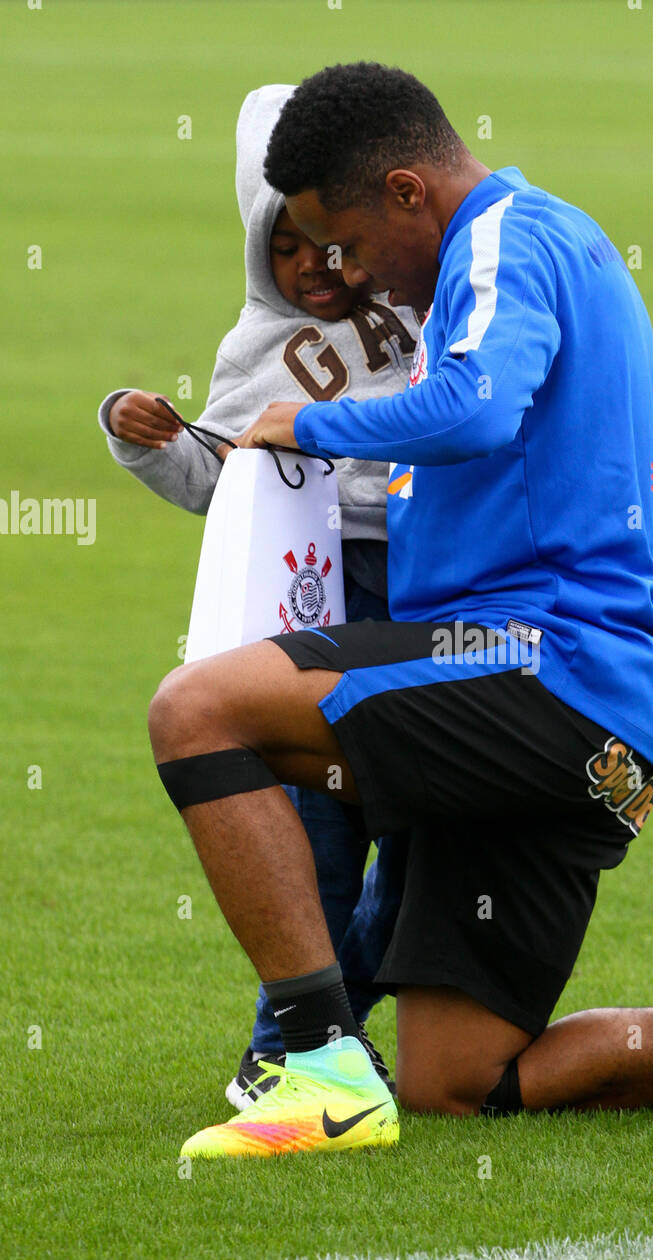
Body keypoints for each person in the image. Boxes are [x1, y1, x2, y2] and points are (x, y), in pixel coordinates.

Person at [146, 63, 653, 1158]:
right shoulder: (543, 253)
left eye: (342, 238)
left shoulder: (503, 238)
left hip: (536, 669)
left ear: (406, 190)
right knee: (461, 1080)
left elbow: (480, 406)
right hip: (606, 741)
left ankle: (314, 1060)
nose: (342, 271)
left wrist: (314, 425)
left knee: (198, 711)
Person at [98, 85, 421, 1109]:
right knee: (319, 835)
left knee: (421, 843)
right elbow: (219, 480)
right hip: (312, 607)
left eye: (332, 246)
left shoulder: (431, 308)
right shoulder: (254, 352)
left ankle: (338, 1021)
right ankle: (285, 1043)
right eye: (287, 249)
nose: (316, 270)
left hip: (426, 591)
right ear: (257, 242)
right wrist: (137, 432)